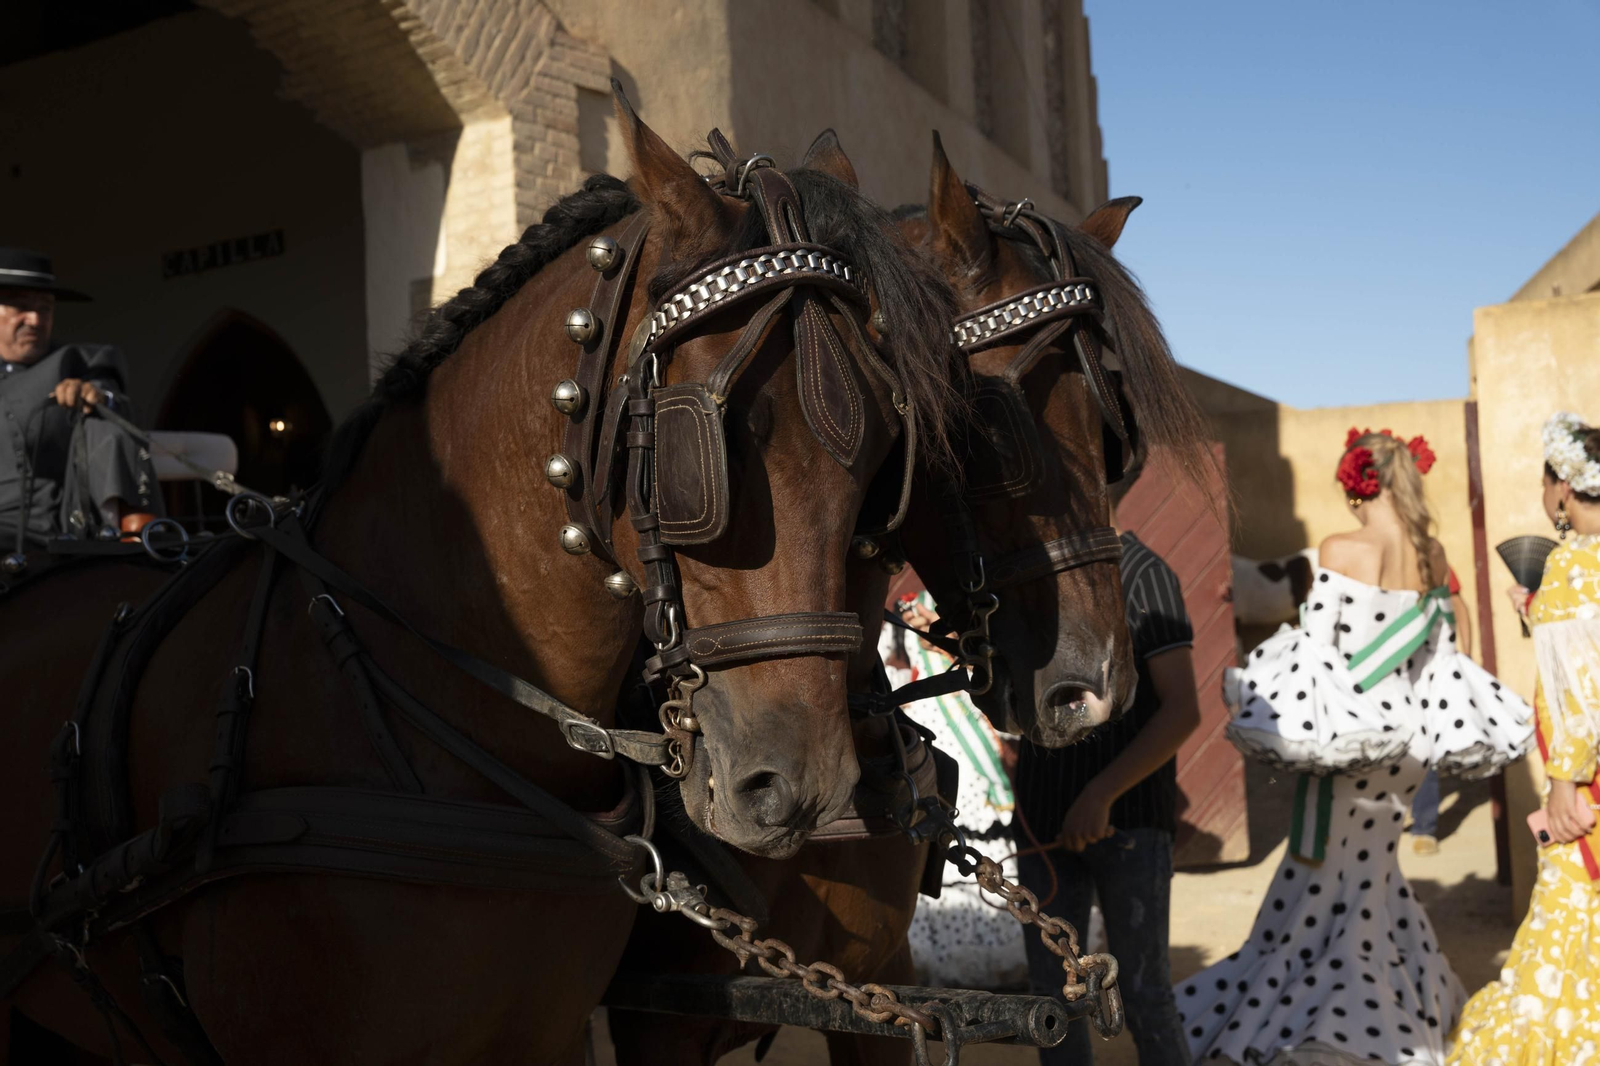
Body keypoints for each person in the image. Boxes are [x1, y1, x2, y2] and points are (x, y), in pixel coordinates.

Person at [1188, 428, 1532, 1066]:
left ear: (1353, 486)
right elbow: (1440, 652)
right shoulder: (1431, 551)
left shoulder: (1340, 547)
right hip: (1406, 747)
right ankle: (1394, 1002)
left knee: (1319, 873)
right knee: (1370, 873)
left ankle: (1336, 1019)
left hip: (1353, 741)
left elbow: (1318, 660)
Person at [1010, 464, 1203, 1066]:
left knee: (1144, 994)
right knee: (1054, 1003)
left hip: (1131, 826)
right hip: (1043, 822)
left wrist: (1101, 793)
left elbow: (1182, 711)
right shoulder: (1033, 581)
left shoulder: (1145, 575)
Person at [1447, 411, 1600, 1065]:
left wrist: (1566, 780)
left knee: (1571, 923)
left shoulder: (1569, 565)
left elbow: (1583, 692)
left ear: (1563, 486)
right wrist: (1535, 609)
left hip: (1587, 777)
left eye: (1546, 483)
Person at [0, 248, 158, 543]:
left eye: (45, 308)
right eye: (21, 306)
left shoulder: (77, 362)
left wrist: (96, 396)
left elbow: (114, 403)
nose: (35, 320)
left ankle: (138, 538)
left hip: (64, 523)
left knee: (104, 423)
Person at [1409, 567, 1475, 856]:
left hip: (1431, 674)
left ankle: (1424, 826)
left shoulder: (1437, 566)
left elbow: (1458, 607)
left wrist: (1466, 656)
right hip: (1390, 672)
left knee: (1428, 750)